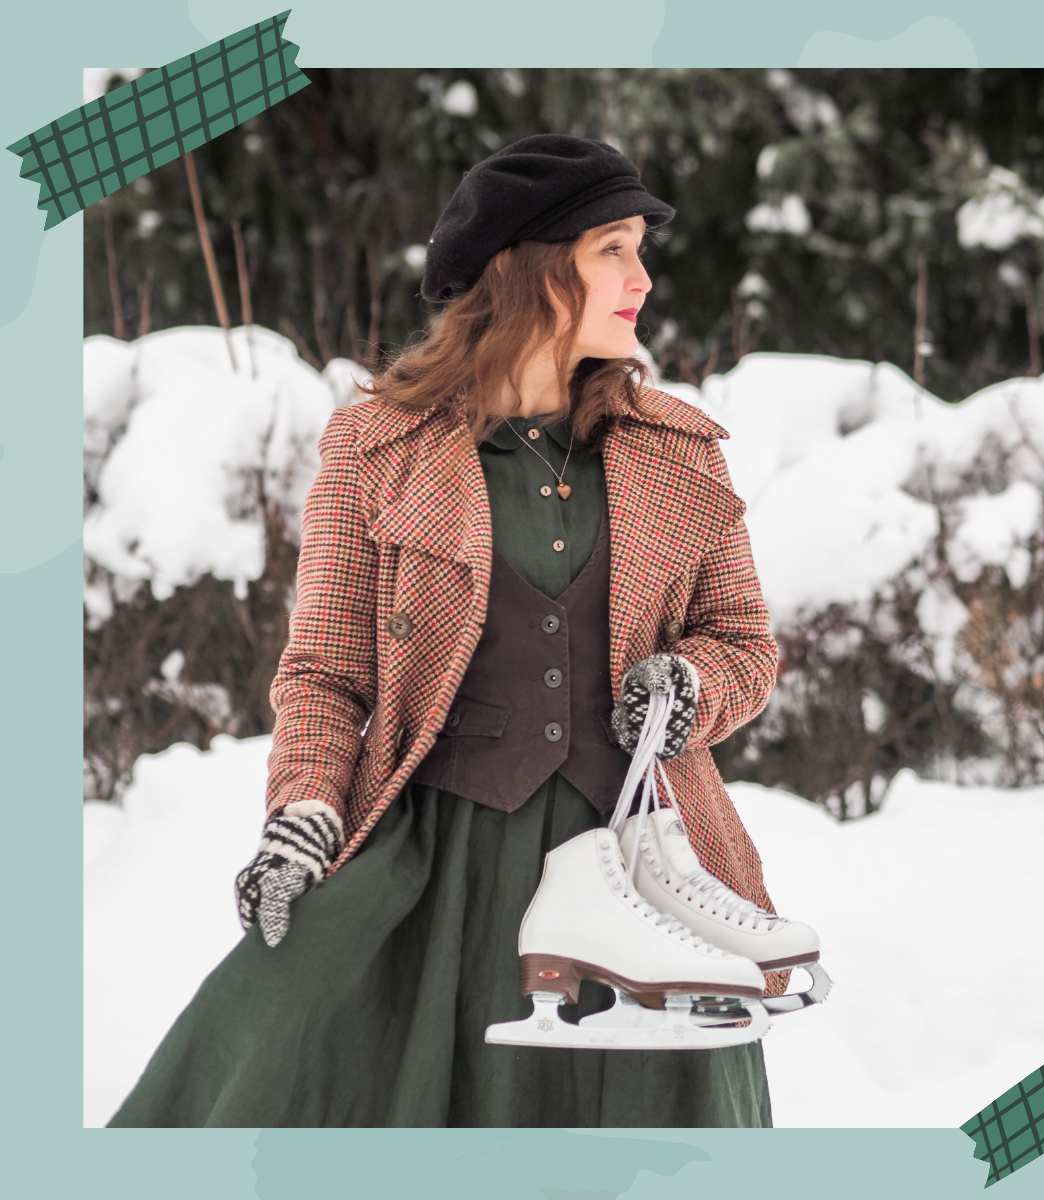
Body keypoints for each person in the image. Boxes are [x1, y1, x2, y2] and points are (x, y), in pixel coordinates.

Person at [108, 134, 784, 1129]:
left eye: (641, 248)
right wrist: (302, 814)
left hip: (633, 873)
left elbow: (743, 642)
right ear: (524, 266)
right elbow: (328, 674)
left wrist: (689, 686)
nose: (642, 277)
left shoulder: (677, 453)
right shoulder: (378, 448)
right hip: (438, 869)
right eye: (612, 249)